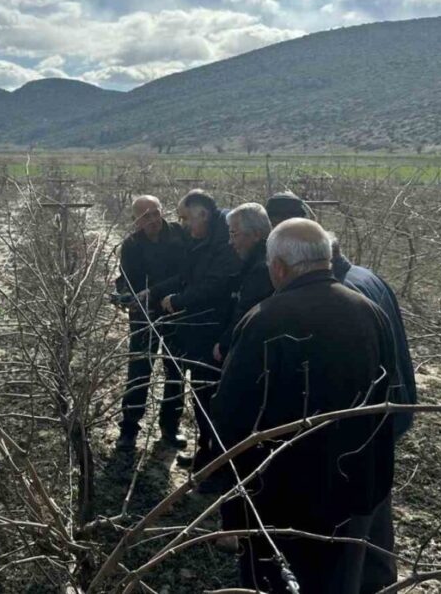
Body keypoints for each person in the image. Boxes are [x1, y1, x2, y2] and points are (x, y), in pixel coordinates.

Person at [211, 218, 396, 593]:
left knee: (276, 581)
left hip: (281, 496)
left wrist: (233, 504)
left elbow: (231, 418)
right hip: (353, 491)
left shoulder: (264, 320)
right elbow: (386, 401)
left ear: (278, 267)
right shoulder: (369, 311)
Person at [331, 238, 417, 594]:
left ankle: (364, 580)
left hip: (368, 415)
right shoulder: (368, 276)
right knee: (377, 496)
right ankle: (381, 576)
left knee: (358, 508)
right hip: (392, 405)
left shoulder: (345, 297)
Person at [149, 189, 241, 471]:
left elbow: (215, 286)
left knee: (210, 398)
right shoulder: (199, 239)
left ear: (203, 214)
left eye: (186, 218)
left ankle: (213, 461)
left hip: (214, 332)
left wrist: (178, 301)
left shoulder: (225, 244)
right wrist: (154, 292)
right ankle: (205, 455)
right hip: (195, 328)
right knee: (197, 395)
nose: (184, 225)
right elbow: (186, 277)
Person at [114, 195, 190, 451]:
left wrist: (154, 292)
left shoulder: (180, 235)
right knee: (139, 370)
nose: (153, 220)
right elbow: (125, 278)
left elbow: (187, 274)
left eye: (155, 213)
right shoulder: (131, 245)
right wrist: (126, 296)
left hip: (175, 311)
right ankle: (129, 428)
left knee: (175, 371)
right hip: (143, 316)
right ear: (135, 220)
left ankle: (170, 427)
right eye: (145, 216)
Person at [212, 203, 273, 364]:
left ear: (256, 234)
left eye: (234, 234)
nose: (230, 242)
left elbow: (247, 311)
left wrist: (225, 343)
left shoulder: (263, 269)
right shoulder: (252, 261)